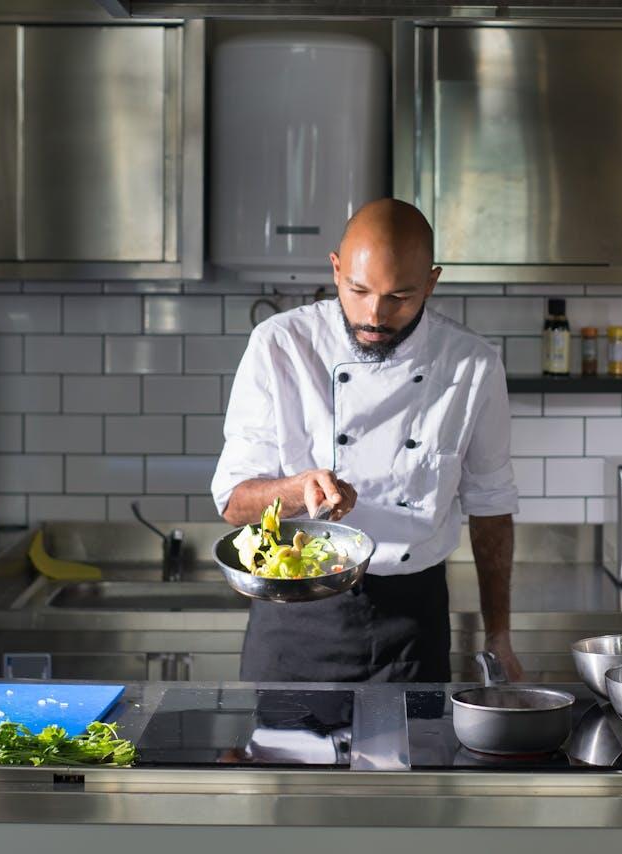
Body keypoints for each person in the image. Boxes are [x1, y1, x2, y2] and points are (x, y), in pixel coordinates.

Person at [211, 198, 523, 683]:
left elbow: (491, 505)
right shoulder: (280, 346)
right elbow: (233, 503)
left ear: (432, 283)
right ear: (336, 270)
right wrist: (300, 490)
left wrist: (498, 634)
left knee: (415, 757)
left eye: (400, 296)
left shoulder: (472, 364)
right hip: (296, 616)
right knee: (283, 760)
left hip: (414, 623)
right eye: (358, 291)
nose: (375, 315)